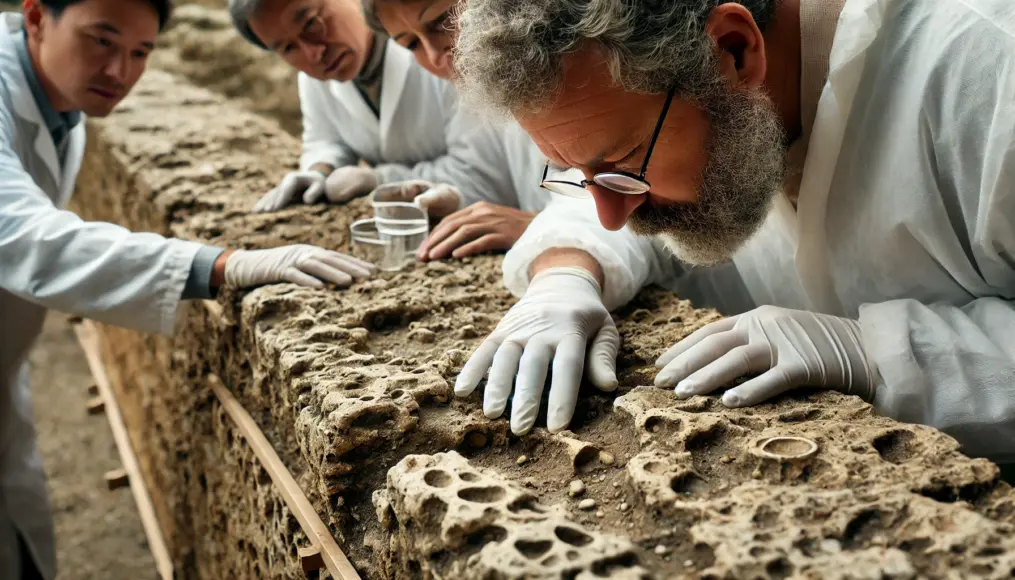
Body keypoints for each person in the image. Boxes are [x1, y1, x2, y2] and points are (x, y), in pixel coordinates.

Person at [448, 0, 1015, 465]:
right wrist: (565, 273)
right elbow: (617, 223)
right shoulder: (713, 115)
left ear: (733, 52)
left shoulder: (986, 66)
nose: (612, 214)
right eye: (577, 174)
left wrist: (879, 352)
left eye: (623, 164)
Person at [0, 1, 377, 577]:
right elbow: (23, 234)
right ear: (34, 16)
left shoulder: (54, 95)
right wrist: (221, 263)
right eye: (101, 41)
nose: (119, 73)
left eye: (140, 53)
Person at [229, 0, 519, 237]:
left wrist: (379, 179)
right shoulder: (317, 75)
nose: (313, 52)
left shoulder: (441, 54)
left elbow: (485, 182)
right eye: (288, 48)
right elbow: (327, 139)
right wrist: (321, 169)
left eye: (311, 24)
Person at [356, 0, 564, 261]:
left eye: (444, 21)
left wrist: (537, 227)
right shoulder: (493, 90)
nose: (433, 54)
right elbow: (495, 178)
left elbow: (620, 214)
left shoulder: (578, 74)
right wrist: (456, 198)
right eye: (411, 44)